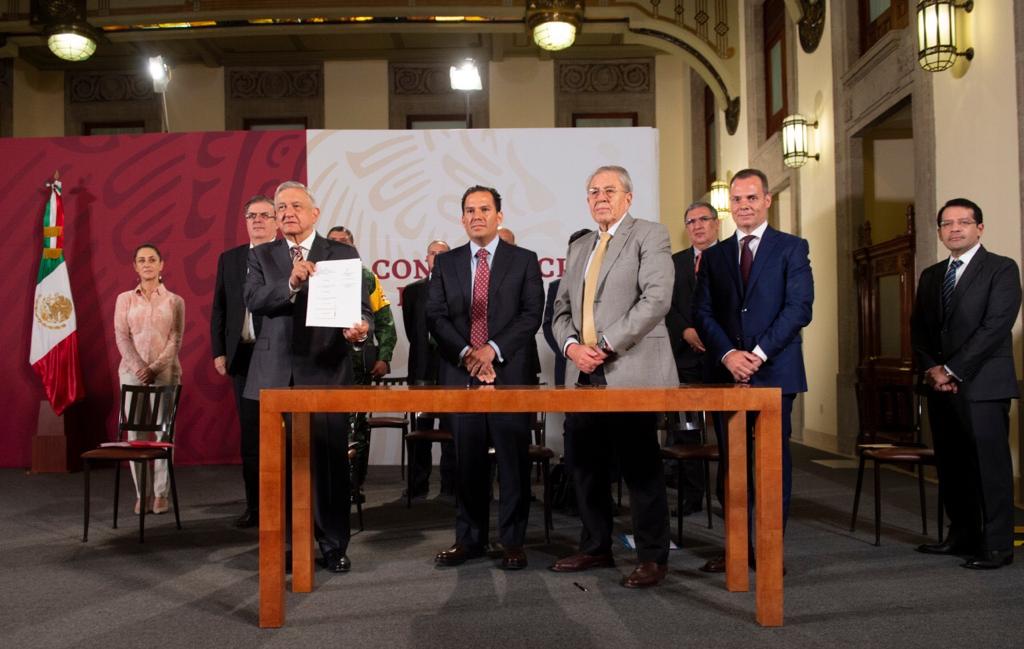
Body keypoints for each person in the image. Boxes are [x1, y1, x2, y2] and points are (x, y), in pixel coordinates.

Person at [550, 165, 675, 589]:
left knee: (641, 468)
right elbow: (561, 310)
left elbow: (656, 299)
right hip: (582, 375)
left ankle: (653, 557)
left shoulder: (649, 234)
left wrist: (604, 345)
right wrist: (571, 347)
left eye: (609, 190)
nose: (600, 197)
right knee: (585, 466)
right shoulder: (581, 246)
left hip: (630, 371)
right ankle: (595, 547)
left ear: (628, 197)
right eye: (592, 191)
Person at [244, 181, 372, 574]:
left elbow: (362, 309)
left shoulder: (341, 252)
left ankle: (333, 545)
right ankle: (287, 545)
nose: (286, 213)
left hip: (326, 370)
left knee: (331, 464)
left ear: (315, 213)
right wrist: (291, 283)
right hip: (275, 373)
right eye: (280, 207)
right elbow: (254, 300)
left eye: (295, 205)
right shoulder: (262, 255)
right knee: (278, 468)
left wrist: (361, 327)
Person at [694, 168, 813, 573]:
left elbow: (799, 309)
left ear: (767, 201)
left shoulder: (792, 248)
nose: (743, 205)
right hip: (726, 374)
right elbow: (703, 313)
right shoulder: (714, 256)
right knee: (731, 466)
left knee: (770, 466)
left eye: (751, 198)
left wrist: (757, 354)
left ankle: (768, 550)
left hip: (775, 372)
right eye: (737, 199)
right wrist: (729, 355)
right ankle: (736, 548)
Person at [427, 185, 544, 570]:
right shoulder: (446, 264)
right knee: (466, 463)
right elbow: (436, 316)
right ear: (462, 218)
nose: (477, 215)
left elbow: (531, 314)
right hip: (461, 375)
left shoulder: (524, 260)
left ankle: (512, 541)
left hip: (509, 375)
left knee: (513, 463)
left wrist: (491, 350)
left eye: (484, 209)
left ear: (499, 216)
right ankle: (469, 539)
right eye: (469, 210)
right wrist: (467, 354)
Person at [911, 198, 1020, 570]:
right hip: (939, 385)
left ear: (980, 228)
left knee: (989, 467)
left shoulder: (1002, 270)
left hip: (983, 385)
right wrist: (933, 370)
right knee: (952, 465)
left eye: (963, 222)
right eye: (947, 223)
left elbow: (995, 327)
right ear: (940, 231)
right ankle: (961, 535)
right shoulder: (931, 275)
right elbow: (921, 331)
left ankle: (996, 546)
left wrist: (952, 370)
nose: (954, 228)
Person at [211, 195, 279, 528]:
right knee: (250, 436)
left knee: (282, 436)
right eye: (252, 215)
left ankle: (286, 506)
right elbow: (219, 309)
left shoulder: (286, 257)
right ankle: (255, 506)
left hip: (278, 358)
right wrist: (218, 351)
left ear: (277, 222)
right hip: (242, 356)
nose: (258, 221)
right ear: (245, 220)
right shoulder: (230, 259)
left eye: (266, 215)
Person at [325, 225, 398, 500]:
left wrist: (384, 355)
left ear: (353, 245)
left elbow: (385, 319)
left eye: (344, 242)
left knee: (357, 427)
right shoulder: (315, 274)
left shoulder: (366, 276)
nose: (339, 246)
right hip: (323, 365)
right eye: (334, 242)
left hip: (358, 364)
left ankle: (354, 485)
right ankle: (327, 483)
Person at [114, 243, 185, 516]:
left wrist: (154, 368)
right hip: (131, 374)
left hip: (166, 373)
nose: (147, 264)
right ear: (135, 266)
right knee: (136, 434)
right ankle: (142, 493)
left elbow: (175, 338)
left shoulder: (175, 301)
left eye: (152, 259)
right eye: (141, 260)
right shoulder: (124, 299)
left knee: (164, 434)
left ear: (161, 265)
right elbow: (121, 336)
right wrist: (139, 367)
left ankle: (161, 494)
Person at [664, 201, 721, 513]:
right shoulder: (674, 263)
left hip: (723, 358)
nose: (697, 226)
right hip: (684, 358)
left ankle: (728, 493)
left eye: (703, 220)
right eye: (691, 222)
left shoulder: (731, 256)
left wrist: (716, 338)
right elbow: (665, 305)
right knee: (686, 430)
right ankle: (691, 496)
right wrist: (684, 329)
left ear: (716, 223)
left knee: (728, 432)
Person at [402, 240, 456, 499]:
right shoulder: (413, 291)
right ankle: (417, 485)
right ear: (426, 258)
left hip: (450, 369)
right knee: (420, 430)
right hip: (422, 369)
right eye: (433, 253)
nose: (436, 257)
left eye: (442, 254)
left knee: (450, 429)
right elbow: (412, 331)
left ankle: (449, 486)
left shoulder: (457, 288)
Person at [542, 229, 593, 387]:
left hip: (603, 363)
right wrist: (570, 350)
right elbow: (549, 325)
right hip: (567, 363)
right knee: (571, 411)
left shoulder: (609, 284)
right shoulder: (556, 286)